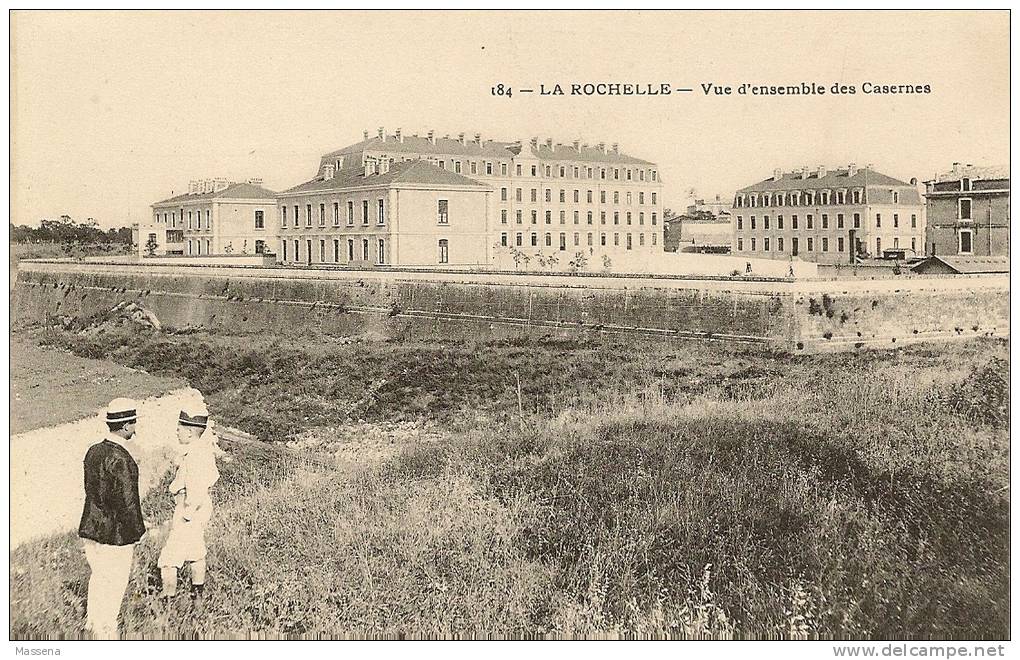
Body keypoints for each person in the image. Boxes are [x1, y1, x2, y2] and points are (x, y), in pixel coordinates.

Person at [78, 398, 147, 639]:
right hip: (114, 534)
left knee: (98, 577)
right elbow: (128, 503)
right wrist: (138, 532)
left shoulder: (93, 451)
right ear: (127, 426)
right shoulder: (123, 459)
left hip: (91, 526)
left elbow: (90, 489)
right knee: (114, 582)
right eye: (134, 422)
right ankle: (106, 632)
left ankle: (92, 623)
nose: (135, 427)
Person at [158, 400, 221, 605]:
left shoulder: (195, 455)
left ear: (189, 432)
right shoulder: (200, 451)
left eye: (179, 429)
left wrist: (187, 513)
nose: (177, 433)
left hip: (189, 508)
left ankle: (167, 604)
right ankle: (197, 600)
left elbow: (197, 487)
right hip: (197, 509)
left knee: (168, 560)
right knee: (195, 551)